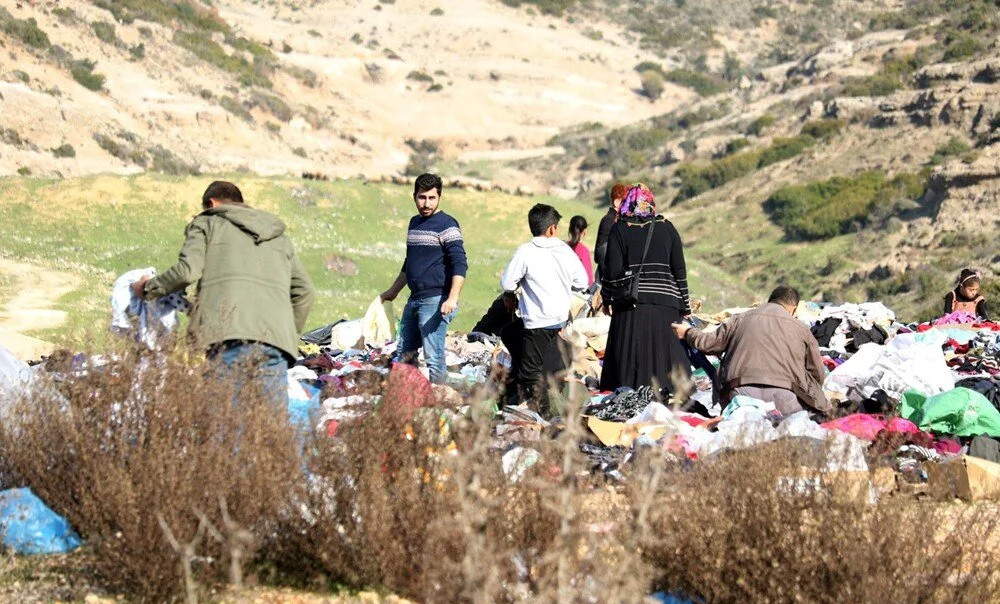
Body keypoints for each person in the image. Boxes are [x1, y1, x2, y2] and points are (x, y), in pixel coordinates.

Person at [132, 180, 316, 403]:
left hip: (228, 340)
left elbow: (187, 272)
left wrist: (147, 288)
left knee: (224, 426)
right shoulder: (277, 236)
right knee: (267, 428)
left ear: (211, 203)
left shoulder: (208, 222)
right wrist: (284, 333)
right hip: (274, 347)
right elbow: (305, 291)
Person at [672, 286, 832, 417]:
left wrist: (687, 332)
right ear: (793, 308)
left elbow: (708, 344)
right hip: (786, 397)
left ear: (770, 301)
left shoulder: (739, 319)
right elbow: (817, 373)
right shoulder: (802, 329)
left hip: (740, 394)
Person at [600, 184, 691, 395]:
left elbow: (611, 272)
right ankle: (667, 401)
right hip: (667, 306)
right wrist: (685, 304)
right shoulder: (667, 228)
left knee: (631, 362)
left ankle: (631, 402)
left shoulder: (620, 229)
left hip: (631, 306)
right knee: (664, 362)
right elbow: (679, 269)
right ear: (650, 203)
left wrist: (607, 300)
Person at [380, 173, 468, 384]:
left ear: (439, 198)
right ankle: (407, 396)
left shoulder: (447, 224)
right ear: (414, 197)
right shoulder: (414, 223)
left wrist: (452, 298)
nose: (426, 203)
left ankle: (439, 403)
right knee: (405, 352)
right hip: (414, 299)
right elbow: (410, 262)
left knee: (433, 356)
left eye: (431, 198)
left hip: (436, 300)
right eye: (422, 197)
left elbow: (460, 263)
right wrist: (393, 291)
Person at [501, 204, 588, 409]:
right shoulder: (565, 251)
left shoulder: (525, 251)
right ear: (551, 229)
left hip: (537, 322)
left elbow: (507, 283)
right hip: (560, 321)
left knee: (529, 373)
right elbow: (582, 283)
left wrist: (513, 291)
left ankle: (545, 411)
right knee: (514, 338)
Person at [594, 182, 628, 280]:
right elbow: (600, 252)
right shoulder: (609, 220)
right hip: (607, 276)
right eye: (625, 201)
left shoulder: (615, 219)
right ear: (617, 202)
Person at [566, 215, 594, 286]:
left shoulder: (562, 246)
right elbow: (589, 281)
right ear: (585, 231)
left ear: (570, 229)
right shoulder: (584, 252)